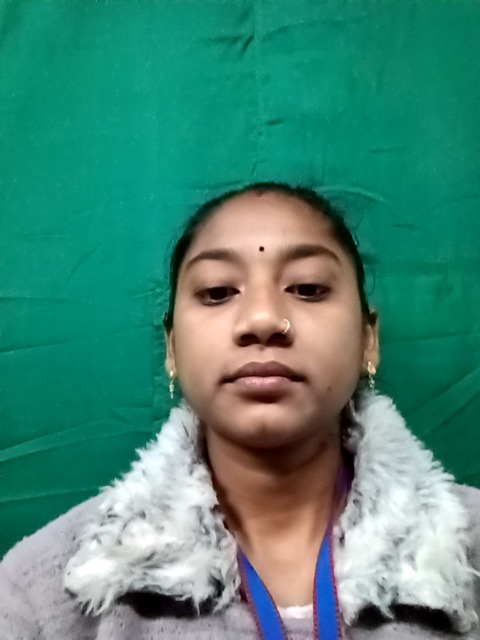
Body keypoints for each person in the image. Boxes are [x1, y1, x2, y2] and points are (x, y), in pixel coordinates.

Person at [1, 182, 479, 640]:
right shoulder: (47, 594)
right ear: (171, 348)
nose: (263, 319)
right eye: (217, 292)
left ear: (368, 340)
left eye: (308, 288)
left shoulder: (468, 555)